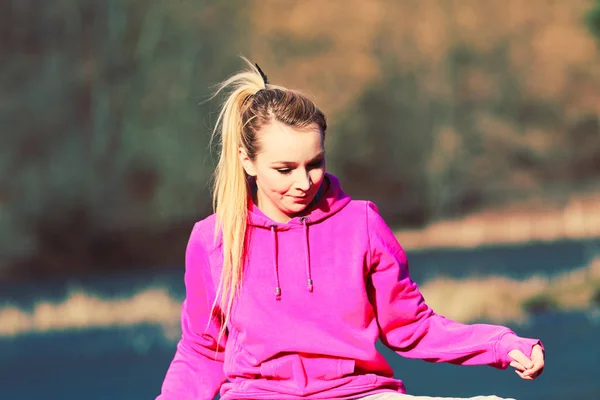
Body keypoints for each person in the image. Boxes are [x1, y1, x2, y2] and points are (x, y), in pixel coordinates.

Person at [156, 58, 545, 400]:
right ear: (247, 161)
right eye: (285, 169)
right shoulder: (213, 239)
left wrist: (500, 344)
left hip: (360, 395)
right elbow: (203, 350)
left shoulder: (361, 224)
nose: (304, 181)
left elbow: (412, 327)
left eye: (315, 163)